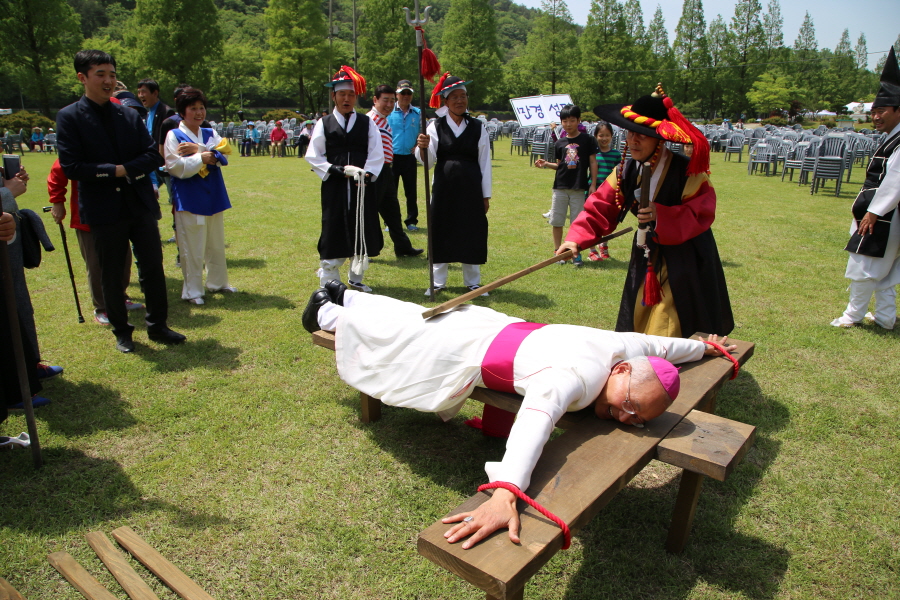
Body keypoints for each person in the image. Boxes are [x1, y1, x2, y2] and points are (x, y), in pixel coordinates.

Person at [301, 284, 736, 548]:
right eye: (630, 404)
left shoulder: (625, 348)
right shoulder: (577, 376)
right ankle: (325, 311)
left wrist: (704, 348)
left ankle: (347, 296)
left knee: (414, 320)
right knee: (399, 339)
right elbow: (535, 420)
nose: (625, 416)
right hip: (465, 350)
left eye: (637, 419)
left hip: (492, 324)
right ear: (622, 371)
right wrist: (506, 490)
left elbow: (663, 347)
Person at [558, 84, 733, 339]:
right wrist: (575, 239)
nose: (633, 141)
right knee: (640, 319)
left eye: (642, 135)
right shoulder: (626, 170)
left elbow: (701, 214)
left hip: (685, 259)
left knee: (671, 323)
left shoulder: (688, 172)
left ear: (660, 139)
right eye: (630, 133)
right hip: (647, 254)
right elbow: (600, 207)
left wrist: (661, 215)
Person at [56, 49, 186, 353]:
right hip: (103, 208)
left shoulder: (128, 114)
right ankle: (122, 331)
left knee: (152, 268)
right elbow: (72, 166)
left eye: (112, 75)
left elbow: (152, 155)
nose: (108, 81)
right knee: (112, 273)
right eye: (100, 74)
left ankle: (158, 326)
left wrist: (125, 169)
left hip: (138, 203)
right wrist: (114, 171)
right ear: (82, 77)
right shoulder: (69, 116)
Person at [832, 47, 900, 330]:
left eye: (881, 111)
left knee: (864, 265)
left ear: (898, 110)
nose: (876, 117)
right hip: (883, 214)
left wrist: (874, 212)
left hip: (885, 216)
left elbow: (895, 180)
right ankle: (885, 318)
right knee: (886, 271)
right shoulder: (892, 137)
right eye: (873, 112)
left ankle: (853, 315)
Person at [305, 66, 384, 291]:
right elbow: (314, 154)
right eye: (342, 94)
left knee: (361, 225)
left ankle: (356, 278)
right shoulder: (325, 123)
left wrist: (367, 173)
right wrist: (335, 169)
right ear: (334, 96)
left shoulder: (366, 123)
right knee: (334, 226)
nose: (346, 99)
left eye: (351, 94)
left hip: (361, 185)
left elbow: (376, 151)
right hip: (335, 185)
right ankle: (329, 279)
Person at [415, 74, 491, 296]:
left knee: (472, 230)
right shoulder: (435, 126)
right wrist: (422, 147)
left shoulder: (478, 127)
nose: (460, 100)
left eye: (463, 96)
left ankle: (473, 281)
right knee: (441, 228)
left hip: (471, 187)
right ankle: (438, 281)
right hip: (444, 187)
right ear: (446, 101)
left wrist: (485, 195)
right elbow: (428, 161)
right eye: (454, 97)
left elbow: (484, 162)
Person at [48, 159, 143, 324]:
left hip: (119, 214)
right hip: (88, 217)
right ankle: (102, 307)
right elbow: (58, 172)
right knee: (96, 264)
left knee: (123, 259)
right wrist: (57, 201)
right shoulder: (78, 148)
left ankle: (120, 298)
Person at [164, 87, 237, 305]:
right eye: (193, 108)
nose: (199, 113)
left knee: (216, 242)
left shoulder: (209, 133)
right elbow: (175, 166)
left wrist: (198, 149)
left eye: (201, 108)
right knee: (192, 246)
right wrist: (203, 157)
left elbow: (222, 155)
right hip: (190, 195)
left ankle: (218, 282)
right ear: (182, 112)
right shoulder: (174, 135)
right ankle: (192, 291)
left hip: (213, 193)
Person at [534, 105, 598, 266]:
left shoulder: (588, 139)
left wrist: (593, 184)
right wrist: (546, 164)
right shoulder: (560, 142)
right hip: (560, 187)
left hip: (579, 187)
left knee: (577, 223)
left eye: (572, 120)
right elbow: (559, 165)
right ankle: (558, 252)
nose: (568, 124)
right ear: (561, 122)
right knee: (557, 221)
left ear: (579, 120)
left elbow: (592, 162)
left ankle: (575, 253)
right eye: (565, 121)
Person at [367, 84, 423, 258]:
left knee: (393, 211)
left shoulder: (384, 119)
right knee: (369, 213)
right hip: (373, 172)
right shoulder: (369, 121)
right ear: (375, 100)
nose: (389, 104)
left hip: (386, 170)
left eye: (392, 101)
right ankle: (366, 249)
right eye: (385, 100)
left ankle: (402, 247)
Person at [387, 80, 422, 231]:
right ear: (397, 94)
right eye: (403, 93)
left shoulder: (418, 113)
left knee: (411, 192)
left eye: (408, 93)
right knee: (390, 192)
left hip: (409, 157)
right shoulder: (389, 111)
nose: (406, 96)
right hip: (392, 157)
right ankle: (390, 222)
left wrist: (418, 145)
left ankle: (411, 221)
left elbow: (423, 132)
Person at [589, 121, 621, 261]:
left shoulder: (616, 154)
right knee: (593, 220)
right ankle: (592, 250)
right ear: (596, 136)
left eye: (607, 135)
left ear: (612, 136)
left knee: (606, 221)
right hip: (594, 191)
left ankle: (603, 246)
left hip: (609, 193)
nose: (604, 138)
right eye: (601, 135)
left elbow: (619, 174)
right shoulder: (593, 154)